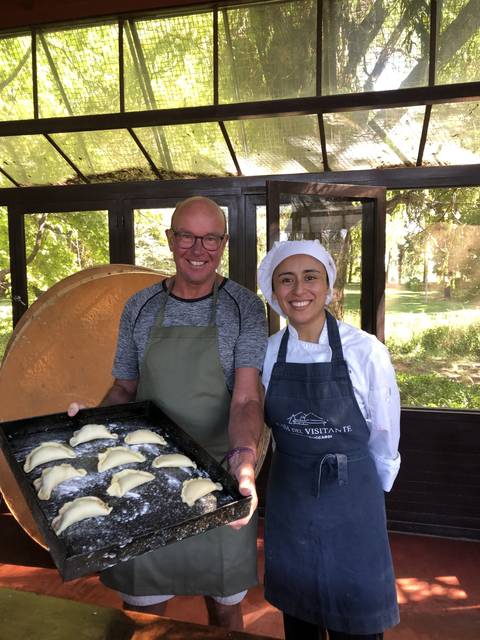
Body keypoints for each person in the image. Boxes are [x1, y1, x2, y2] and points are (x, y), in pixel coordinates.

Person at [69, 196, 267, 631]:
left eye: (210, 238)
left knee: (225, 606)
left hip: (219, 474)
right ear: (170, 239)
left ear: (224, 241)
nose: (198, 249)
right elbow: (124, 389)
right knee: (142, 612)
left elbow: (247, 399)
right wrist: (92, 423)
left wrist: (243, 460)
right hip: (146, 481)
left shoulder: (245, 307)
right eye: (187, 236)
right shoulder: (139, 307)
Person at [257, 240, 401, 640]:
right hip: (291, 499)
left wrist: (369, 494)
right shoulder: (268, 354)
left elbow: (385, 434)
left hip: (351, 500)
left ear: (329, 287)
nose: (298, 290)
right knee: (299, 616)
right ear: (274, 293)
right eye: (286, 280)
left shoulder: (365, 352)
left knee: (357, 619)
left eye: (310, 278)